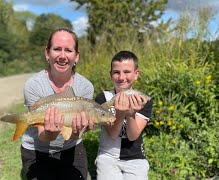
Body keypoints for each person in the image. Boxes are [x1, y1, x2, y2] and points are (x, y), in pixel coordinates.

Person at [21, 27, 95, 180]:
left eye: (68, 50)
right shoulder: (33, 85)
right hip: (38, 149)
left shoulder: (85, 87)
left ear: (76, 56)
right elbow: (43, 135)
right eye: (57, 49)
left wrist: (78, 132)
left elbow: (75, 135)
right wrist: (51, 133)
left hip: (71, 147)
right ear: (47, 53)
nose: (62, 56)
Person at [94, 50, 153, 180]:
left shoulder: (144, 100)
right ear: (111, 75)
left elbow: (133, 136)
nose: (121, 77)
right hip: (107, 156)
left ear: (136, 74)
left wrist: (131, 114)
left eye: (126, 72)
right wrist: (120, 115)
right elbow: (113, 134)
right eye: (116, 72)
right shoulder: (103, 98)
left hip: (135, 157)